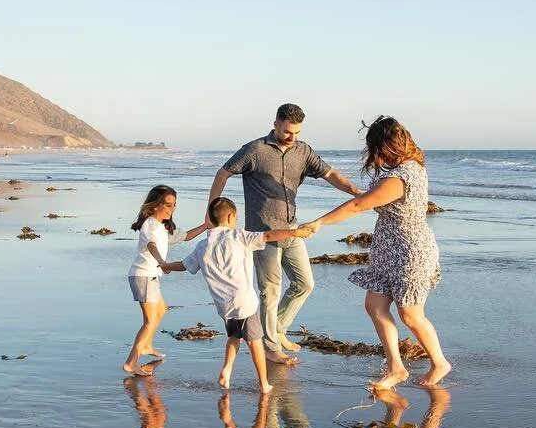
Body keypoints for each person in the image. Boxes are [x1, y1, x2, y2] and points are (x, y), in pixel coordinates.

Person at [298, 116, 451, 388]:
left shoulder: (402, 176)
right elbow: (369, 197)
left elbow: (358, 207)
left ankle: (439, 362)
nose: (374, 155)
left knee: (411, 315)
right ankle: (396, 369)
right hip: (388, 249)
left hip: (409, 252)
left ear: (385, 146)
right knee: (375, 306)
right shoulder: (402, 169)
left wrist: (319, 221)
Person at [209, 102, 362, 365]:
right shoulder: (255, 150)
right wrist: (212, 213)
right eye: (288, 131)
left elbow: (331, 174)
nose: (292, 137)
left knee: (304, 283)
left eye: (297, 132)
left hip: (292, 230)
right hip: (262, 233)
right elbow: (223, 173)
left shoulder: (303, 151)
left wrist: (358, 193)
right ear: (276, 123)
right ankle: (270, 347)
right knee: (270, 290)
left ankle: (277, 329)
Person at [161, 196, 311, 392]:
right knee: (255, 343)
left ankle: (227, 369)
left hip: (224, 305)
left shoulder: (202, 246)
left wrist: (166, 266)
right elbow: (267, 236)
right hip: (245, 303)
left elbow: (184, 265)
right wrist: (295, 232)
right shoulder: (239, 236)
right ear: (231, 217)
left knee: (234, 337)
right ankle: (264, 383)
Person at [124, 184, 206, 377]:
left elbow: (185, 237)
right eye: (167, 205)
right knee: (149, 321)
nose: (172, 209)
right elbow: (151, 245)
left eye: (174, 205)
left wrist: (205, 226)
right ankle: (131, 362)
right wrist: (163, 263)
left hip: (148, 275)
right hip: (144, 275)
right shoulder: (151, 225)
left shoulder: (160, 226)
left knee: (162, 309)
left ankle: (147, 346)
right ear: (154, 206)